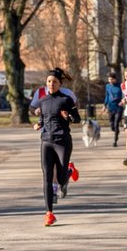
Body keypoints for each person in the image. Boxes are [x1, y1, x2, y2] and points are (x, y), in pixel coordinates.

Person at [31, 69, 81, 227]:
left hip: (62, 141)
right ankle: (49, 214)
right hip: (46, 142)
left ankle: (70, 171)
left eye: (54, 82)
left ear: (60, 84)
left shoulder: (66, 100)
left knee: (60, 179)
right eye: (49, 82)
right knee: (46, 178)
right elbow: (43, 119)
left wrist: (69, 117)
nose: (51, 84)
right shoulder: (43, 101)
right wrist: (38, 124)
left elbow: (77, 118)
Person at [103, 72, 123, 147]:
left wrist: (122, 101)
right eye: (109, 79)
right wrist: (104, 105)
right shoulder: (107, 86)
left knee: (116, 124)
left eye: (112, 79)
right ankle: (116, 131)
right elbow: (107, 96)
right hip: (110, 107)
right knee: (111, 124)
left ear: (115, 79)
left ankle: (115, 141)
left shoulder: (120, 85)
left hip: (118, 107)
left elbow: (124, 94)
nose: (110, 81)